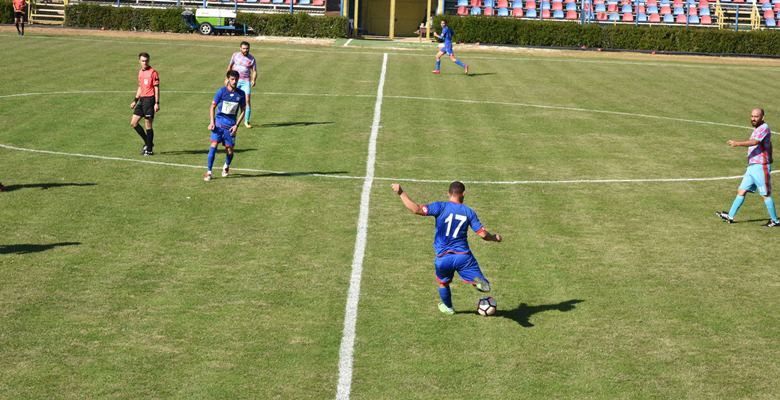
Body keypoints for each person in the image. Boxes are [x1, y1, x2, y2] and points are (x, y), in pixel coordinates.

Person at [391, 181, 502, 315]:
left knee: (443, 283)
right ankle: (478, 281)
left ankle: (448, 308)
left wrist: (401, 192)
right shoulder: (469, 212)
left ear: (448, 193)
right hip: (463, 257)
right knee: (480, 281)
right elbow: (483, 234)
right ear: (463, 194)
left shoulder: (440, 206)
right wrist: (494, 237)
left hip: (443, 258)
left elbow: (416, 209)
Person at [716, 108, 779, 227]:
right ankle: (730, 216)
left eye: (756, 116)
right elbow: (769, 143)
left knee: (765, 194)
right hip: (752, 167)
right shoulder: (757, 128)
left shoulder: (764, 127)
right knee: (741, 190)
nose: (753, 119)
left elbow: (755, 142)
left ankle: (775, 221)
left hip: (760, 166)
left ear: (762, 117)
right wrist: (770, 156)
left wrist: (737, 143)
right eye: (752, 116)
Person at [204, 70, 246, 182]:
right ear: (228, 79)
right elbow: (212, 107)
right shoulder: (221, 92)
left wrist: (236, 125)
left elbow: (243, 110)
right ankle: (209, 172)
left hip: (230, 128)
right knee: (213, 146)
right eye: (232, 79)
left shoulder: (241, 94)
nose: (234, 81)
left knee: (230, 151)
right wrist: (212, 122)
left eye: (236, 79)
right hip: (218, 125)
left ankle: (226, 165)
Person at [130, 52, 160, 156]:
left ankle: (149, 150)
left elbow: (156, 88)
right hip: (142, 100)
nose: (145, 62)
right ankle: (148, 142)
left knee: (148, 124)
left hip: (150, 100)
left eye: (146, 61)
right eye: (143, 61)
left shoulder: (153, 73)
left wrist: (156, 103)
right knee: (133, 123)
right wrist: (135, 100)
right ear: (139, 61)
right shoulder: (140, 72)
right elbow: (140, 87)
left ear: (149, 60)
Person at [227, 41, 257, 129]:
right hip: (234, 80)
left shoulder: (251, 59)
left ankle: (246, 121)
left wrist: (253, 79)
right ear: (240, 48)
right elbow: (230, 66)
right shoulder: (235, 55)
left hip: (245, 82)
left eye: (247, 48)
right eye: (244, 48)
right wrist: (227, 78)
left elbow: (254, 71)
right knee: (231, 99)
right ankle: (230, 120)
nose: (245, 50)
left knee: (247, 100)